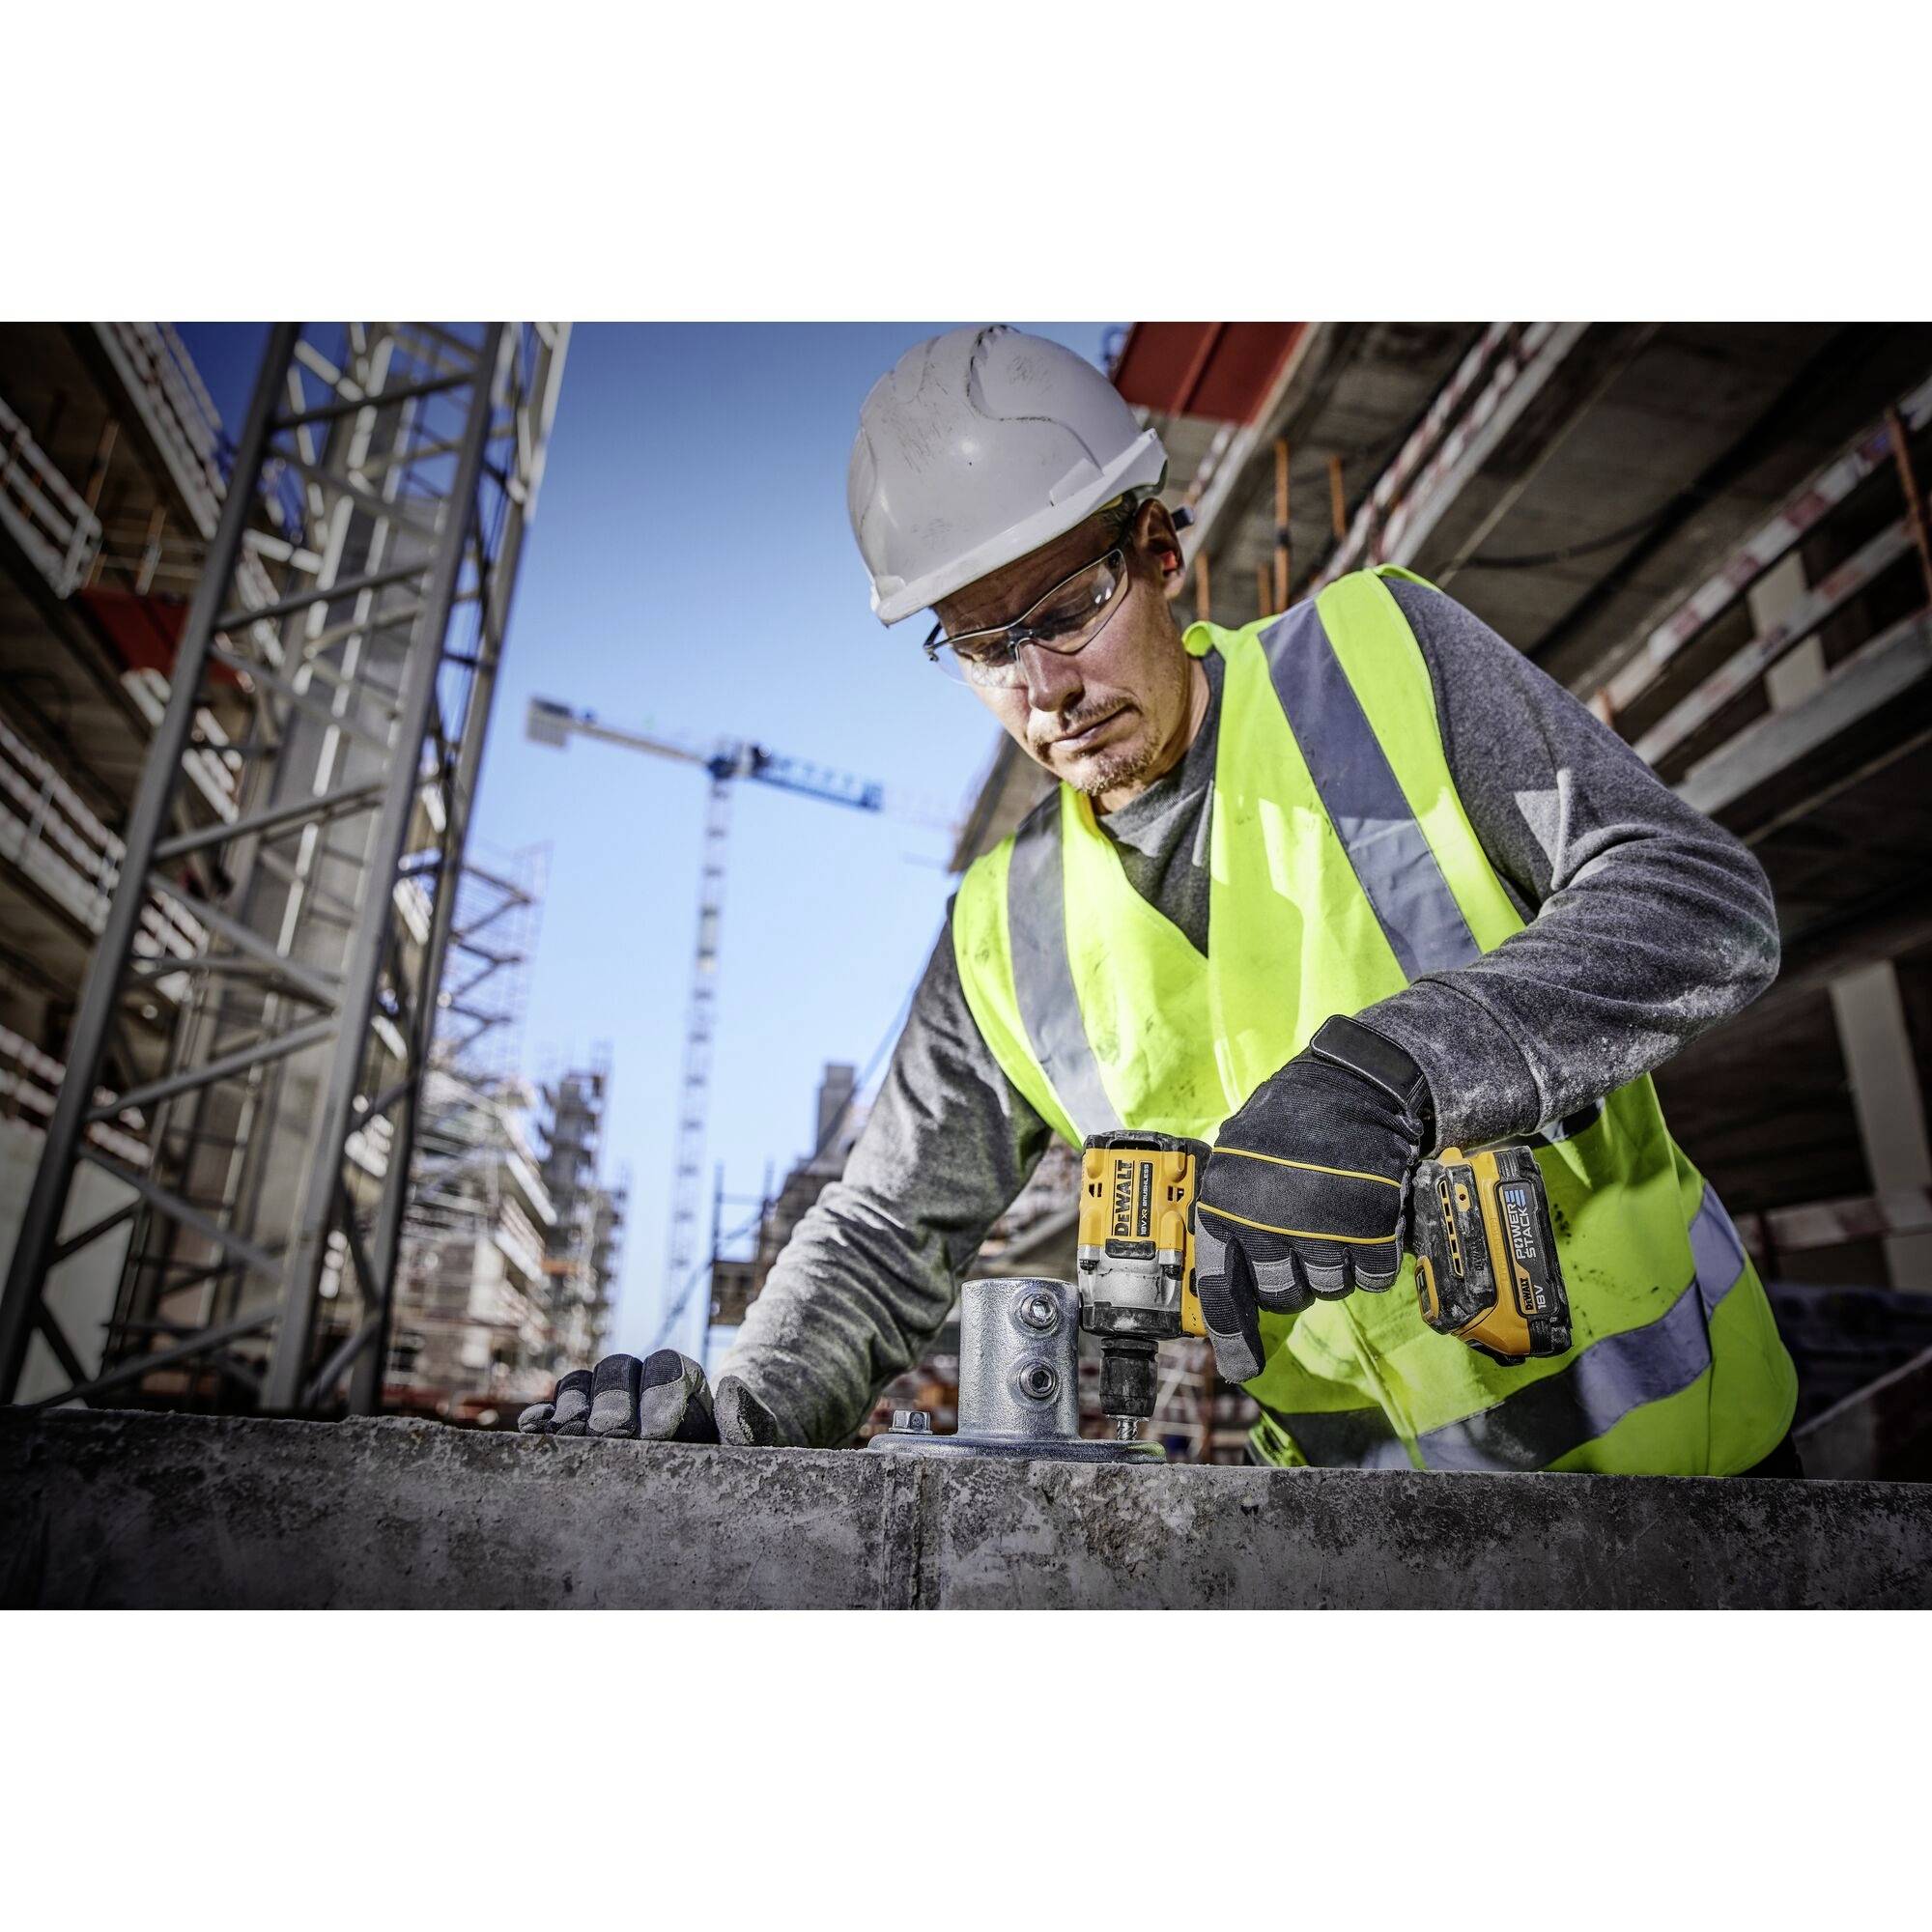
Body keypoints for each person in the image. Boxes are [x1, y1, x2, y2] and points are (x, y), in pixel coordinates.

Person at [521, 325, 1798, 1475]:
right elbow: (878, 1237)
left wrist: (1403, 1071)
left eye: (1068, 608)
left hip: (1702, 1498)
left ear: (1160, 551)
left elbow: (1698, 904)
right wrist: (729, 1424)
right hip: (1370, 1561)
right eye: (982, 645)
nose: (1043, 689)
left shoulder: (1374, 660)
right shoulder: (1001, 931)